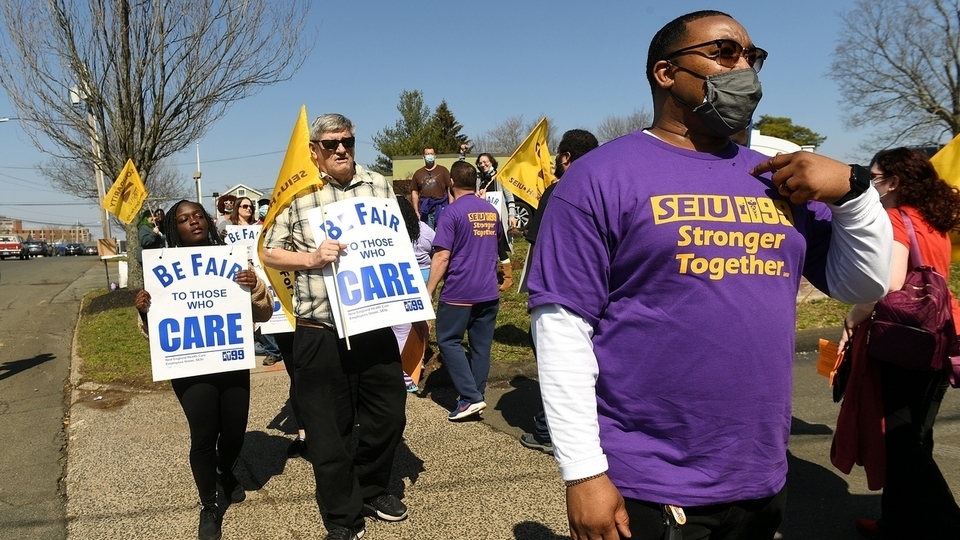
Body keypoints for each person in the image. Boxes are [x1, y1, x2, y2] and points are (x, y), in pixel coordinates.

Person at [527, 10, 893, 540]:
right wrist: (582, 471)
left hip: (760, 476)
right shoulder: (598, 177)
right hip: (648, 483)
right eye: (723, 53)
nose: (744, 68)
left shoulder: (775, 177)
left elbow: (864, 286)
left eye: (752, 56)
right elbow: (561, 330)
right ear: (665, 73)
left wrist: (856, 193)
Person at [260, 113, 408, 540]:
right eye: (331, 144)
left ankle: (371, 488)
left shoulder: (379, 185)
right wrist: (310, 259)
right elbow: (269, 252)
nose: (341, 149)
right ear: (315, 151)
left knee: (388, 417)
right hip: (319, 329)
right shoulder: (298, 193)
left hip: (372, 324)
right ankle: (343, 517)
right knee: (328, 432)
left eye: (348, 141)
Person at [834, 148, 960, 539]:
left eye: (874, 175)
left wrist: (854, 315)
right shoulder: (932, 220)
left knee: (901, 441)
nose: (869, 181)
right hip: (940, 332)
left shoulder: (893, 219)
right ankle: (897, 523)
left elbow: (887, 284)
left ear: (894, 181)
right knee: (916, 432)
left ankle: (947, 524)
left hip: (903, 340)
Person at [134, 200, 272, 540]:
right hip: (189, 366)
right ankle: (208, 506)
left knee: (235, 432)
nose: (192, 222)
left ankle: (225, 470)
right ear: (173, 228)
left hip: (230, 360)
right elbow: (152, 332)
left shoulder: (233, 258)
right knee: (203, 435)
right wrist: (144, 311)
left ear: (207, 221)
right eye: (183, 219)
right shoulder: (160, 265)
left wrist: (254, 287)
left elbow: (265, 314)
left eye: (197, 216)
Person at [518, 128, 599, 456]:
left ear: (566, 158)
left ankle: (547, 431)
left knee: (557, 367)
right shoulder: (605, 187)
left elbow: (537, 242)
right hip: (598, 291)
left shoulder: (557, 191)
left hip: (558, 293)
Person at [426, 161, 501, 421]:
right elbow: (500, 248)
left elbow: (442, 257)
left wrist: (430, 289)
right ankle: (475, 396)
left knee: (448, 340)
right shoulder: (492, 211)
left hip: (460, 291)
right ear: (476, 183)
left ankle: (470, 397)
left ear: (452, 184)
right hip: (489, 291)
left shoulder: (451, 213)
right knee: (481, 347)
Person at [393, 195, 434, 393]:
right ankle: (420, 360)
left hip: (403, 280)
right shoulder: (424, 229)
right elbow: (438, 249)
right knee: (422, 321)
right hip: (425, 279)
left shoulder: (390, 231)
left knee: (401, 326)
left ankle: (406, 371)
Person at [476, 152, 517, 290]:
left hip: (498, 220)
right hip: (485, 220)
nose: (483, 165)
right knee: (488, 249)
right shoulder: (479, 180)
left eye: (485, 162)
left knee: (500, 248)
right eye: (480, 163)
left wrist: (512, 215)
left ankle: (508, 278)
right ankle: (490, 277)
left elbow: (510, 198)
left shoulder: (500, 178)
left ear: (492, 162)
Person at [411, 146, 452, 229]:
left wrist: (451, 207)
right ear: (423, 156)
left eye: (431, 154)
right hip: (426, 210)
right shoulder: (418, 173)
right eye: (427, 154)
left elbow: (450, 189)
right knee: (427, 237)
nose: (429, 155)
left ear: (435, 156)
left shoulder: (443, 170)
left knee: (440, 236)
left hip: (441, 209)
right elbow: (414, 192)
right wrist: (416, 211)